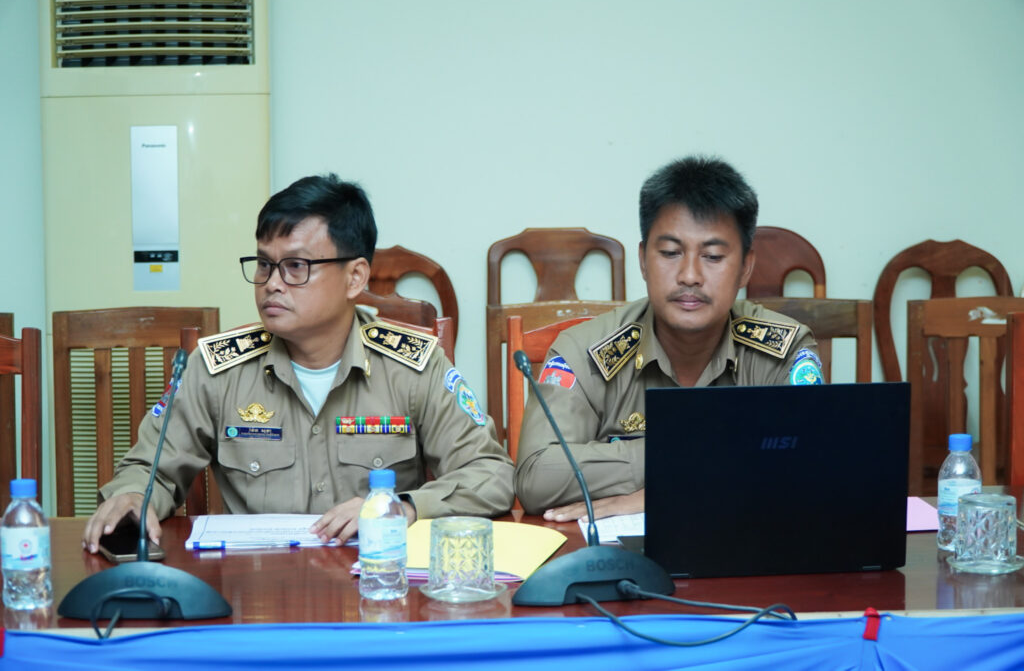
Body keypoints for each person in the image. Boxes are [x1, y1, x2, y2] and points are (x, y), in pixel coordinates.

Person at [83, 174, 513, 552]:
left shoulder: (413, 366)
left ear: (355, 277)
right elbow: (149, 469)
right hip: (256, 590)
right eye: (264, 265)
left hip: (376, 583)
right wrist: (133, 496)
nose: (272, 283)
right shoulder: (217, 369)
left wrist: (403, 507)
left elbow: (490, 473)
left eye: (295, 267)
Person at [514, 156, 822, 521]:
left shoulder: (783, 350)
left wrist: (664, 493)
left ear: (745, 268)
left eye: (713, 256)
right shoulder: (584, 352)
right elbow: (537, 477)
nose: (689, 275)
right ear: (643, 260)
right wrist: (706, 458)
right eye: (671, 253)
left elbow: (812, 466)